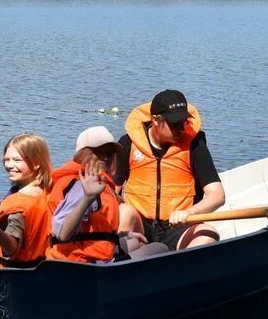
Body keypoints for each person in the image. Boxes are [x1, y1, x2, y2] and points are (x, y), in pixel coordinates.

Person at [115, 89, 224, 250]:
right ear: (155, 120)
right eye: (175, 124)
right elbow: (111, 191)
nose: (181, 128)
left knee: (208, 234)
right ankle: (119, 264)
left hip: (178, 226)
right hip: (141, 227)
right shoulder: (128, 143)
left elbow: (217, 195)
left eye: (184, 122)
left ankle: (183, 270)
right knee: (124, 212)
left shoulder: (194, 145)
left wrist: (189, 212)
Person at [46, 126, 123, 264]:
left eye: (110, 153)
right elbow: (62, 234)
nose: (105, 157)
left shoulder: (98, 183)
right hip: (81, 266)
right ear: (82, 154)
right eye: (98, 152)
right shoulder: (80, 185)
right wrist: (88, 198)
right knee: (159, 248)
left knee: (134, 240)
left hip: (95, 260)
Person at [0, 133, 53, 268]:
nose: (9, 165)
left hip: (8, 275)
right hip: (38, 267)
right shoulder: (50, 192)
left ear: (36, 164)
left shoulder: (18, 205)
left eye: (17, 160)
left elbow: (11, 248)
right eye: (7, 159)